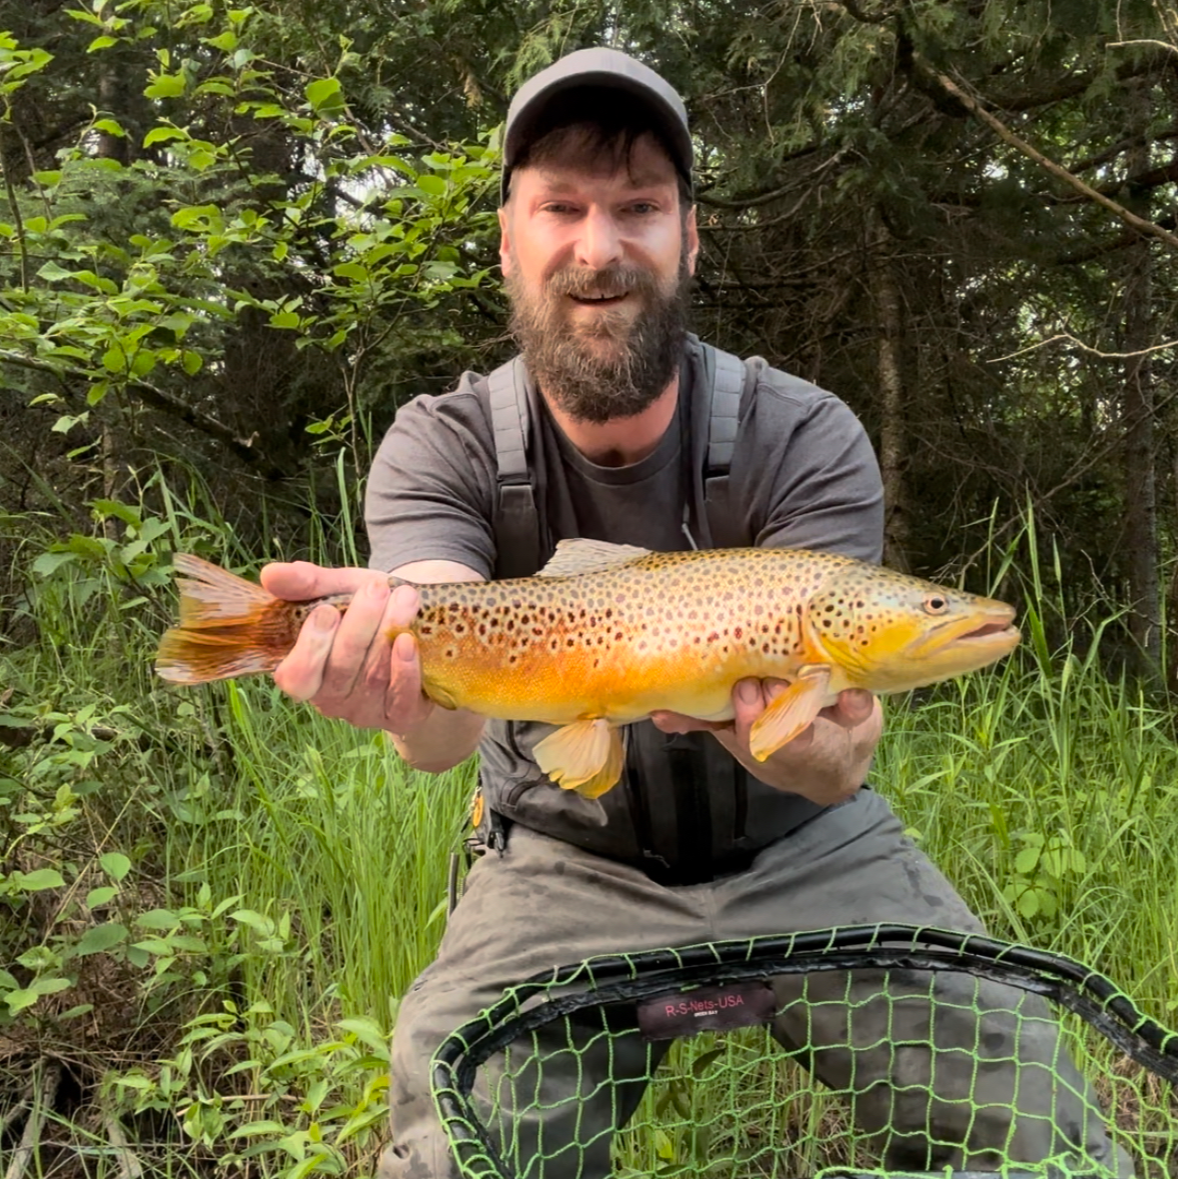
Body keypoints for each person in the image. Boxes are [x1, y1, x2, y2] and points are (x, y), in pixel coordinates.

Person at [263, 48, 1129, 1179]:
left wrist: (826, 744)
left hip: (806, 845)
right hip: (558, 858)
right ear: (508, 242)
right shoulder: (443, 444)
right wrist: (377, 665)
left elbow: (831, 772)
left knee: (1047, 1147)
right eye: (560, 208)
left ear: (688, 240)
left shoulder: (806, 432)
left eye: (639, 209)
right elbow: (436, 720)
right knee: (449, 1158)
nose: (599, 245)